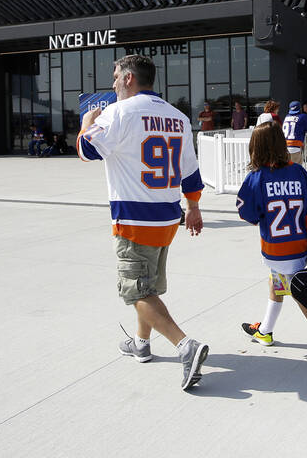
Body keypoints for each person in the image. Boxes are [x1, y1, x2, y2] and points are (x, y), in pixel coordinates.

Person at [77, 54, 210, 391]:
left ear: (129, 79)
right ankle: (141, 343)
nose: (113, 82)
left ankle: (185, 346)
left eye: (116, 76)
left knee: (135, 291)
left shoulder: (117, 113)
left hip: (134, 219)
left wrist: (85, 123)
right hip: (167, 217)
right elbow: (190, 173)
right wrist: (193, 208)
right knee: (146, 287)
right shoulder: (178, 117)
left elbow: (87, 151)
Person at [235, 123, 307, 366]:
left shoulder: (256, 177)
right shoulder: (300, 173)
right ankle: (265, 330)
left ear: (256, 147)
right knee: (277, 284)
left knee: (298, 293)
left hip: (275, 248)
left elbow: (247, 213)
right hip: (300, 245)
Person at [281, 100, 307, 164]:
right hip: (295, 149)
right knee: (296, 171)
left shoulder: (287, 117)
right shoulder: (303, 116)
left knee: (286, 170)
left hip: (284, 148)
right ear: (300, 108)